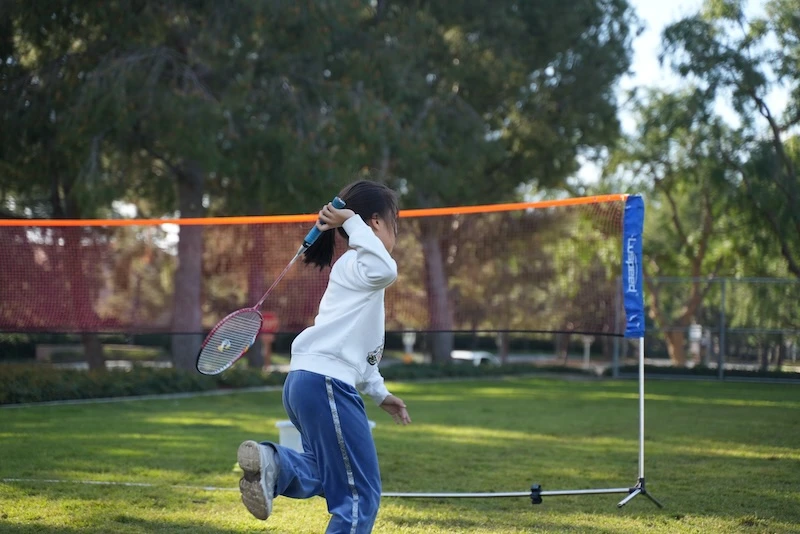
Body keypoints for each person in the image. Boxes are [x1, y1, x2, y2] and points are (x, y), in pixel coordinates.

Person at [237, 180, 412, 534]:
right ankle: (275, 461)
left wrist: (380, 394)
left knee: (323, 471)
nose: (396, 233)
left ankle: (277, 464)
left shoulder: (353, 269)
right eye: (395, 223)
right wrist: (350, 220)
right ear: (375, 223)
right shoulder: (361, 266)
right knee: (361, 496)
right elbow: (387, 269)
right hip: (326, 385)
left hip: (306, 383)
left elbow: (360, 352)